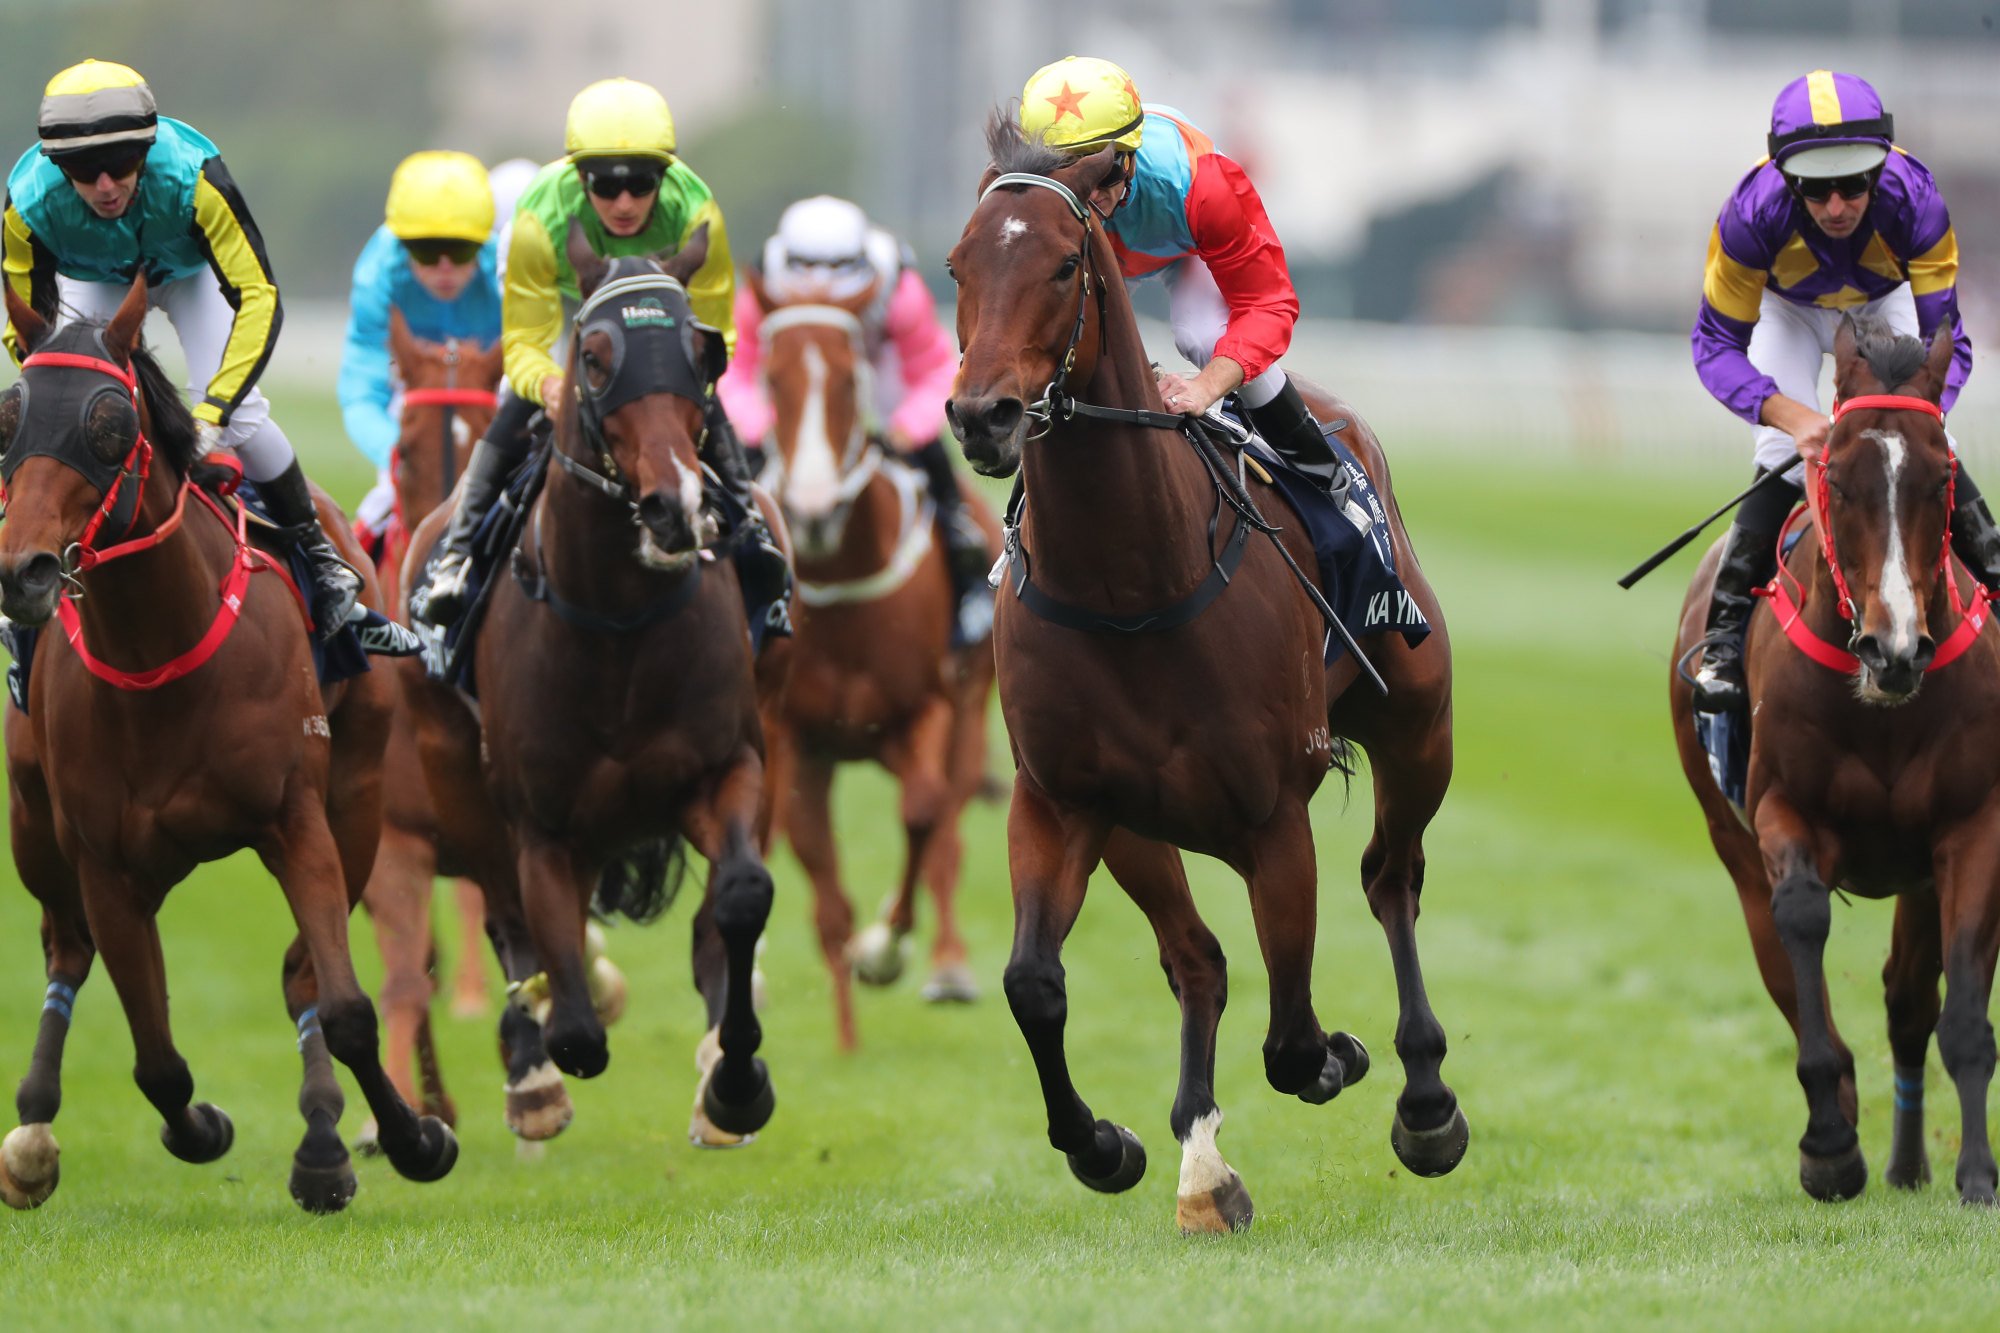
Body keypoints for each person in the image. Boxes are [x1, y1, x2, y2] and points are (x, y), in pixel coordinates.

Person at [3, 58, 360, 637]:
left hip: (189, 277)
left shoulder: (197, 177)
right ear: (55, 166)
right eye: (82, 170)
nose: (105, 186)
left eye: (120, 165)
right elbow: (29, 336)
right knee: (59, 420)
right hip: (93, 280)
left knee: (243, 416)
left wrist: (212, 413)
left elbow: (258, 296)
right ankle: (28, 612)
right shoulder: (25, 208)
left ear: (146, 149)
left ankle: (321, 559)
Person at [413, 77, 786, 630]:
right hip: (575, 296)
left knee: (696, 405)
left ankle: (752, 530)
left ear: (665, 176)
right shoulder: (539, 222)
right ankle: (457, 555)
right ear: (577, 178)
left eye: (642, 182)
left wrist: (678, 381)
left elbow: (715, 338)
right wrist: (551, 387)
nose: (625, 202)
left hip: (662, 312)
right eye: (605, 186)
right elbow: (524, 345)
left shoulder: (695, 214)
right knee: (519, 408)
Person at [1688, 69, 1997, 714]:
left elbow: (1949, 341)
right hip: (1788, 311)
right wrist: (1790, 415)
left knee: (1927, 448)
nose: (1836, 207)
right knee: (1781, 455)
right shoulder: (1750, 215)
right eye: (1817, 190)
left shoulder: (1916, 202)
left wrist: (1909, 418)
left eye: (1853, 185)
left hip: (1884, 303)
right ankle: (1720, 642)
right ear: (1787, 179)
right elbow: (1714, 346)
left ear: (1879, 170)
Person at [1017, 55, 1339, 491]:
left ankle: (1325, 478)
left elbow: (1269, 305)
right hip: (1113, 254)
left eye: (1104, 172)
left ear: (1129, 155)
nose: (1091, 194)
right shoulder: (1031, 193)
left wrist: (1204, 388)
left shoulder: (1205, 184)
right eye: (1073, 176)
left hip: (1189, 245)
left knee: (1201, 338)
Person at [719, 195, 990, 639]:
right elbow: (738, 369)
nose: (821, 284)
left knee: (932, 462)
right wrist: (760, 426)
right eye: (807, 268)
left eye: (835, 269)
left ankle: (966, 572)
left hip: (877, 374)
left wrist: (907, 426)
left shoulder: (896, 288)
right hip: (793, 387)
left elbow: (933, 368)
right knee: (736, 481)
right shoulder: (762, 289)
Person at [339, 150, 503, 539]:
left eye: (461, 251)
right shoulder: (377, 278)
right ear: (401, 243)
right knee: (383, 499)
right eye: (426, 251)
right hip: (412, 403)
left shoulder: (506, 273)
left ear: (485, 243)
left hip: (487, 398)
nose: (444, 267)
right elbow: (360, 392)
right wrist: (397, 453)